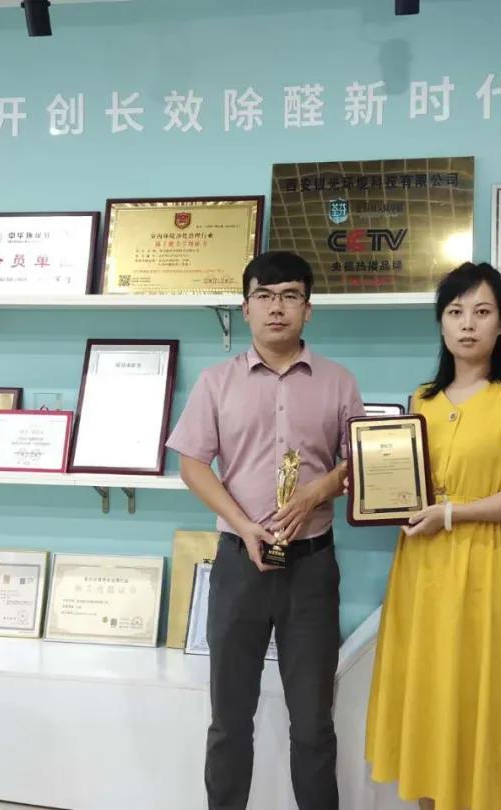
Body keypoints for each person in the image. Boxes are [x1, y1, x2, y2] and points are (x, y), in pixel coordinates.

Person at [167, 250, 365, 810]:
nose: (277, 308)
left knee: (313, 724)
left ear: (308, 308)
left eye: (290, 296)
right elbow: (192, 464)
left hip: (311, 567)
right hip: (239, 563)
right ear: (246, 307)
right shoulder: (216, 382)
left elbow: (360, 461)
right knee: (230, 720)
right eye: (265, 296)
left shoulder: (339, 382)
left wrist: (317, 492)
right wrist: (244, 526)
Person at [365, 262, 501, 810]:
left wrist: (453, 514)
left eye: (482, 311)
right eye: (455, 312)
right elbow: (405, 483)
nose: (468, 323)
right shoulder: (421, 398)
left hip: (485, 566)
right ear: (441, 324)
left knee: (477, 697)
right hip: (421, 570)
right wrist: (373, 489)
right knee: (428, 699)